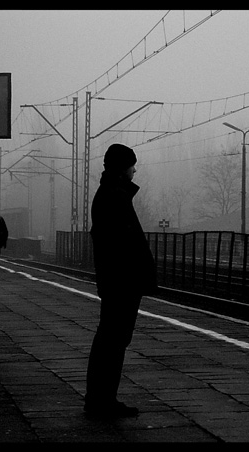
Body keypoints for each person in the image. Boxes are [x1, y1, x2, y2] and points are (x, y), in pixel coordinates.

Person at [84, 143, 157, 419]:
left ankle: (101, 399)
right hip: (122, 282)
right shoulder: (114, 196)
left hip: (118, 280)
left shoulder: (111, 193)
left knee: (111, 339)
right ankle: (102, 401)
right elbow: (123, 244)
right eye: (132, 165)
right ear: (122, 167)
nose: (135, 170)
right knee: (113, 341)